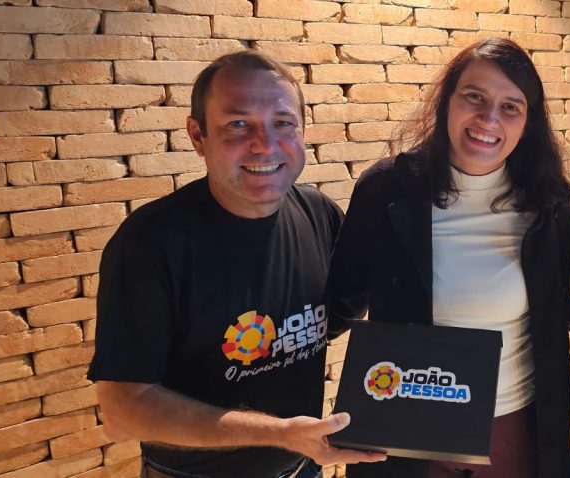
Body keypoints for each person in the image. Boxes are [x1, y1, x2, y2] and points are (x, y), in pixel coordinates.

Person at [87, 50, 386, 478]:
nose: (265, 144)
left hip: (302, 467)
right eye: (238, 124)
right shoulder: (149, 244)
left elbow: (333, 315)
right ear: (198, 136)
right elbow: (123, 410)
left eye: (283, 123)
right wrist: (280, 433)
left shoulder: (319, 213)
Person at [328, 38, 570, 478]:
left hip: (511, 429)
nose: (488, 119)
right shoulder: (386, 190)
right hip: (405, 430)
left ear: (528, 124)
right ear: (447, 100)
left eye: (511, 107)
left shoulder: (549, 205)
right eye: (474, 97)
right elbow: (340, 300)